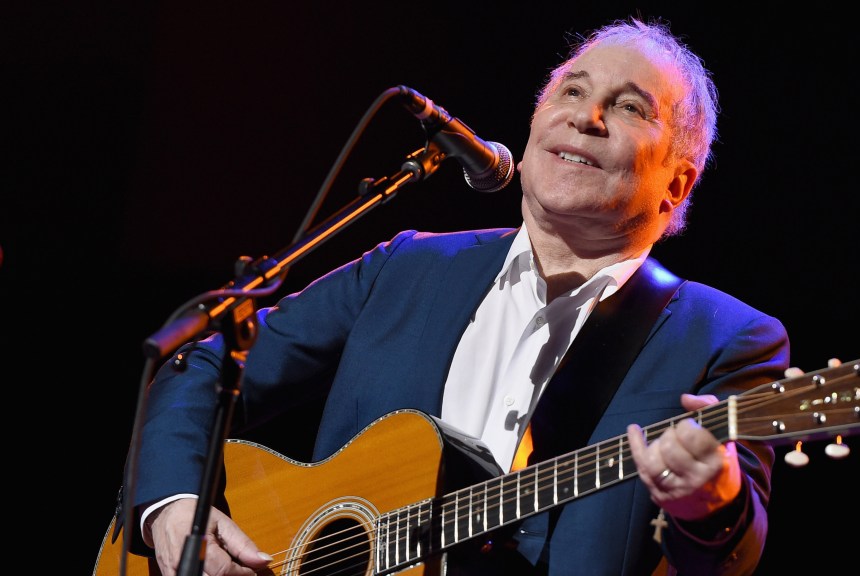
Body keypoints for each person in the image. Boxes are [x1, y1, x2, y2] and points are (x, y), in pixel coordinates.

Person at [116, 16, 789, 576]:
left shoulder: (723, 338)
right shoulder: (406, 267)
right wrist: (174, 507)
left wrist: (714, 503)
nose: (586, 117)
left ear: (677, 184)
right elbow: (203, 365)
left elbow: (732, 554)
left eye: (630, 107)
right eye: (571, 91)